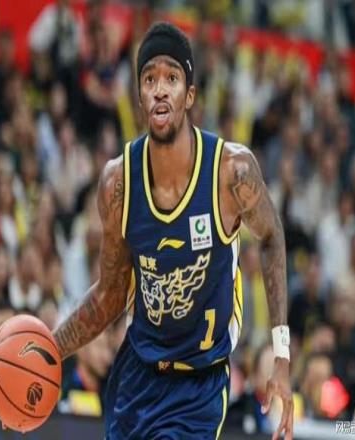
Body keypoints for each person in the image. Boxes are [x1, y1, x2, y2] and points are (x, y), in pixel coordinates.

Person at [53, 22, 293, 439]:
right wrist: (50, 349)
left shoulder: (231, 172)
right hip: (138, 375)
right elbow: (110, 295)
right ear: (140, 98)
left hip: (199, 386)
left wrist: (282, 354)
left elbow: (271, 236)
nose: (160, 89)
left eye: (171, 78)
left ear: (190, 95)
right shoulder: (117, 184)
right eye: (149, 79)